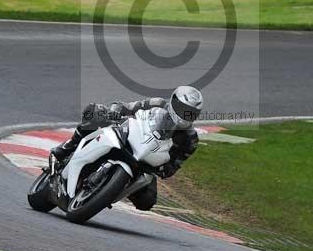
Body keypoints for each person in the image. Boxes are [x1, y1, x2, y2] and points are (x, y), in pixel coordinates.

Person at [51, 86, 204, 211]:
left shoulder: (190, 139)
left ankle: (110, 190)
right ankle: (69, 146)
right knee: (95, 111)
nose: (186, 115)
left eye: (190, 113)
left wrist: (165, 169)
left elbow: (175, 164)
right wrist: (115, 111)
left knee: (147, 201)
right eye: (183, 109)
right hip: (130, 135)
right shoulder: (158, 103)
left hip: (146, 162)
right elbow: (129, 106)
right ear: (173, 102)